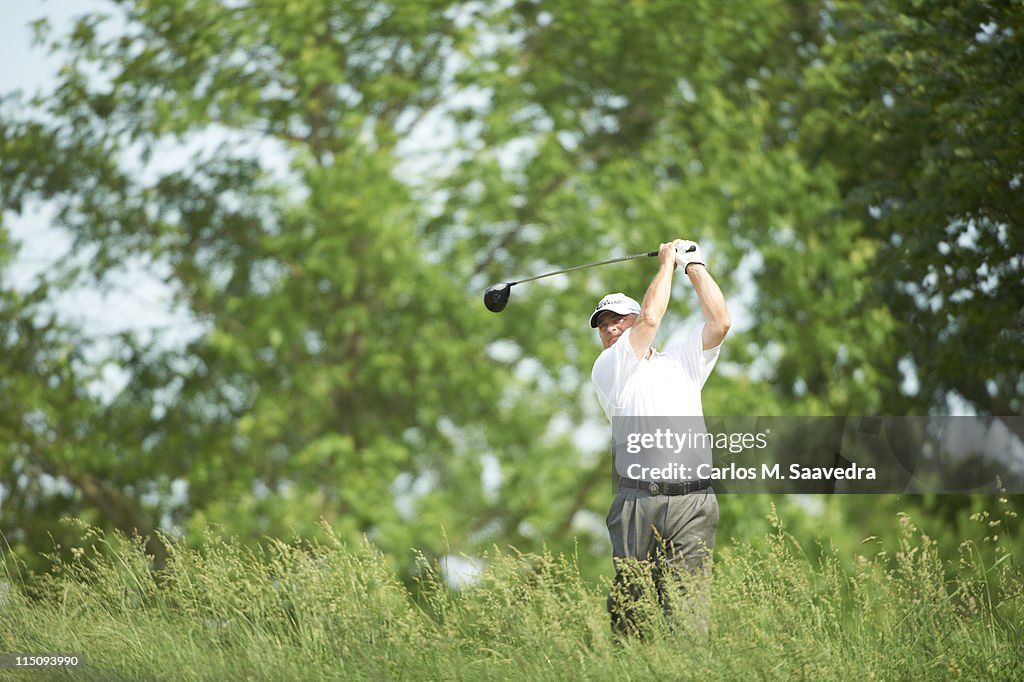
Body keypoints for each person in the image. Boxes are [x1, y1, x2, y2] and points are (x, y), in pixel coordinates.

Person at [590, 238, 731, 638]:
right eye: (603, 325)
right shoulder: (610, 368)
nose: (611, 328)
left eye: (618, 319)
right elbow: (651, 318)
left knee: (687, 620)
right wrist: (667, 263)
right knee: (631, 616)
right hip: (638, 501)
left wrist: (693, 265)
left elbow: (720, 322)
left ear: (631, 319)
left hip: (693, 502)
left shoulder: (680, 361)